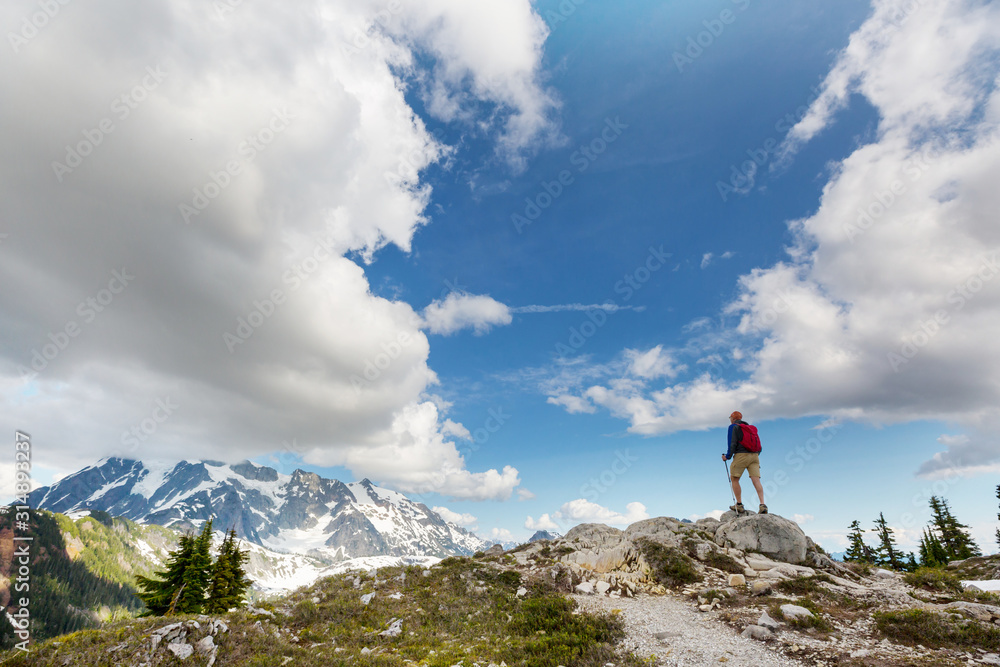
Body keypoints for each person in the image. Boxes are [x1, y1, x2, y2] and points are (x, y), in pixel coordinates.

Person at [721, 410, 767, 515]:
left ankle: (739, 505)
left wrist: (727, 456)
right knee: (756, 480)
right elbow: (759, 445)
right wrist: (755, 454)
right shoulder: (750, 428)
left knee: (734, 478)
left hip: (741, 455)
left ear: (732, 419)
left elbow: (732, 443)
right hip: (755, 456)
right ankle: (762, 505)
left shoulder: (733, 427)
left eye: (730, 418)